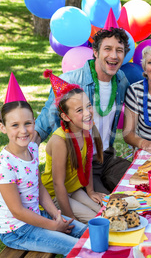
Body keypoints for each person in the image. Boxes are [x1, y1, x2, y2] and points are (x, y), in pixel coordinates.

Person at [0, 76, 86, 255]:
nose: (23, 130)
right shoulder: (4, 165)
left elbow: (39, 186)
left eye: (28, 123)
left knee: (85, 232)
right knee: (77, 247)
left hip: (37, 216)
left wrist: (56, 215)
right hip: (16, 231)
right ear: (2, 128)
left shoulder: (32, 149)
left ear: (34, 122)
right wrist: (53, 226)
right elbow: (18, 211)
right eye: (15, 125)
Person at [35, 27, 131, 194]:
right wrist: (24, 151)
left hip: (106, 156)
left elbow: (146, 86)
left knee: (140, 180)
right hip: (79, 161)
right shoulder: (71, 81)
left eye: (119, 50)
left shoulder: (121, 80)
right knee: (109, 206)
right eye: (107, 49)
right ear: (95, 51)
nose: (114, 56)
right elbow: (45, 120)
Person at [41, 71, 105, 224]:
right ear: (65, 117)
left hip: (74, 190)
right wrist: (71, 219)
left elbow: (87, 164)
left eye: (88, 106)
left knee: (105, 212)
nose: (87, 113)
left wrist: (90, 191)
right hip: (54, 195)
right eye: (79, 110)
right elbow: (57, 184)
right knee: (95, 221)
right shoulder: (60, 141)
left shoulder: (85, 131)